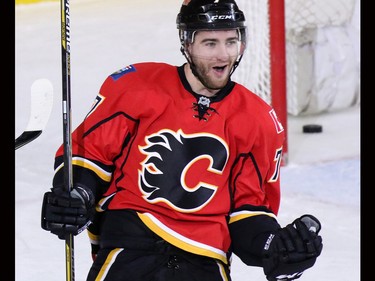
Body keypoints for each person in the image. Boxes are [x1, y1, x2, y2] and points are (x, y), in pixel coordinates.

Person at [41, 0, 323, 280]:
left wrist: (272, 247)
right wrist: (77, 194)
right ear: (187, 44)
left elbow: (247, 211)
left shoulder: (258, 119)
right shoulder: (137, 85)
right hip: (131, 244)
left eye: (231, 41)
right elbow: (90, 155)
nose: (223, 55)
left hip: (204, 258)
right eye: (210, 43)